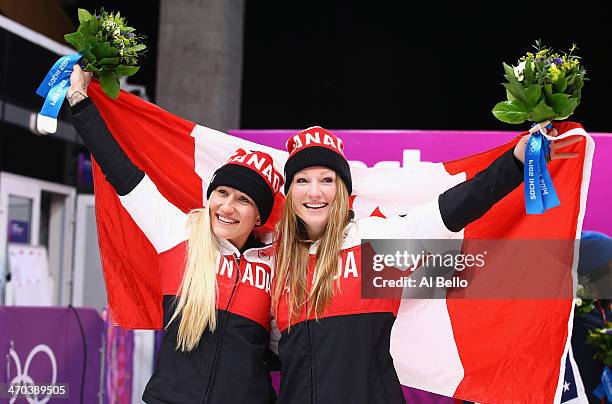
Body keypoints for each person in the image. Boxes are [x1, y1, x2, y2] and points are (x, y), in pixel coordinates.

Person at [271, 126, 581, 403]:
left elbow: (452, 209)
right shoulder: (276, 265)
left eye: (327, 180)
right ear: (290, 192)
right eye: (302, 180)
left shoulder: (372, 244)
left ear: (342, 191)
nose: (315, 191)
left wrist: (514, 163)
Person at [67, 65, 282, 403]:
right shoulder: (179, 234)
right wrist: (80, 103)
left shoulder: (277, 264)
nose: (227, 206)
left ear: (259, 217)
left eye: (243, 200)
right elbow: (123, 174)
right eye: (222, 193)